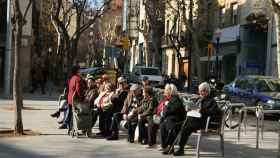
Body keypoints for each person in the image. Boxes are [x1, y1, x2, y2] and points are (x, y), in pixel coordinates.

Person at [173, 82, 222, 156]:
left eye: (202, 91)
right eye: (200, 91)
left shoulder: (211, 101)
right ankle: (176, 147)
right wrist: (191, 109)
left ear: (207, 91)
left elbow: (212, 112)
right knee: (179, 125)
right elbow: (196, 109)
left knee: (185, 126)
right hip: (199, 121)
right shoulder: (200, 99)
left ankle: (180, 149)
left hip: (207, 123)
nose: (201, 93)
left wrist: (200, 110)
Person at [160, 84, 186, 155]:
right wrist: (166, 108)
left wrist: (166, 108)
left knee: (170, 126)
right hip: (172, 119)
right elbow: (167, 111)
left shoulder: (175, 99)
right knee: (163, 125)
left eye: (167, 90)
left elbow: (172, 110)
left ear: (171, 91)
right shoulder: (171, 99)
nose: (165, 92)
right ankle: (166, 146)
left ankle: (169, 146)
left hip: (178, 120)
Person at [59, 65, 86, 130]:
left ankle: (67, 124)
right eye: (80, 70)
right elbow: (79, 90)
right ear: (77, 71)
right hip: (75, 99)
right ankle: (72, 125)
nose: (81, 71)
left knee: (70, 112)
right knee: (77, 112)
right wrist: (82, 98)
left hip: (70, 98)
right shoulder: (78, 79)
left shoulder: (73, 77)